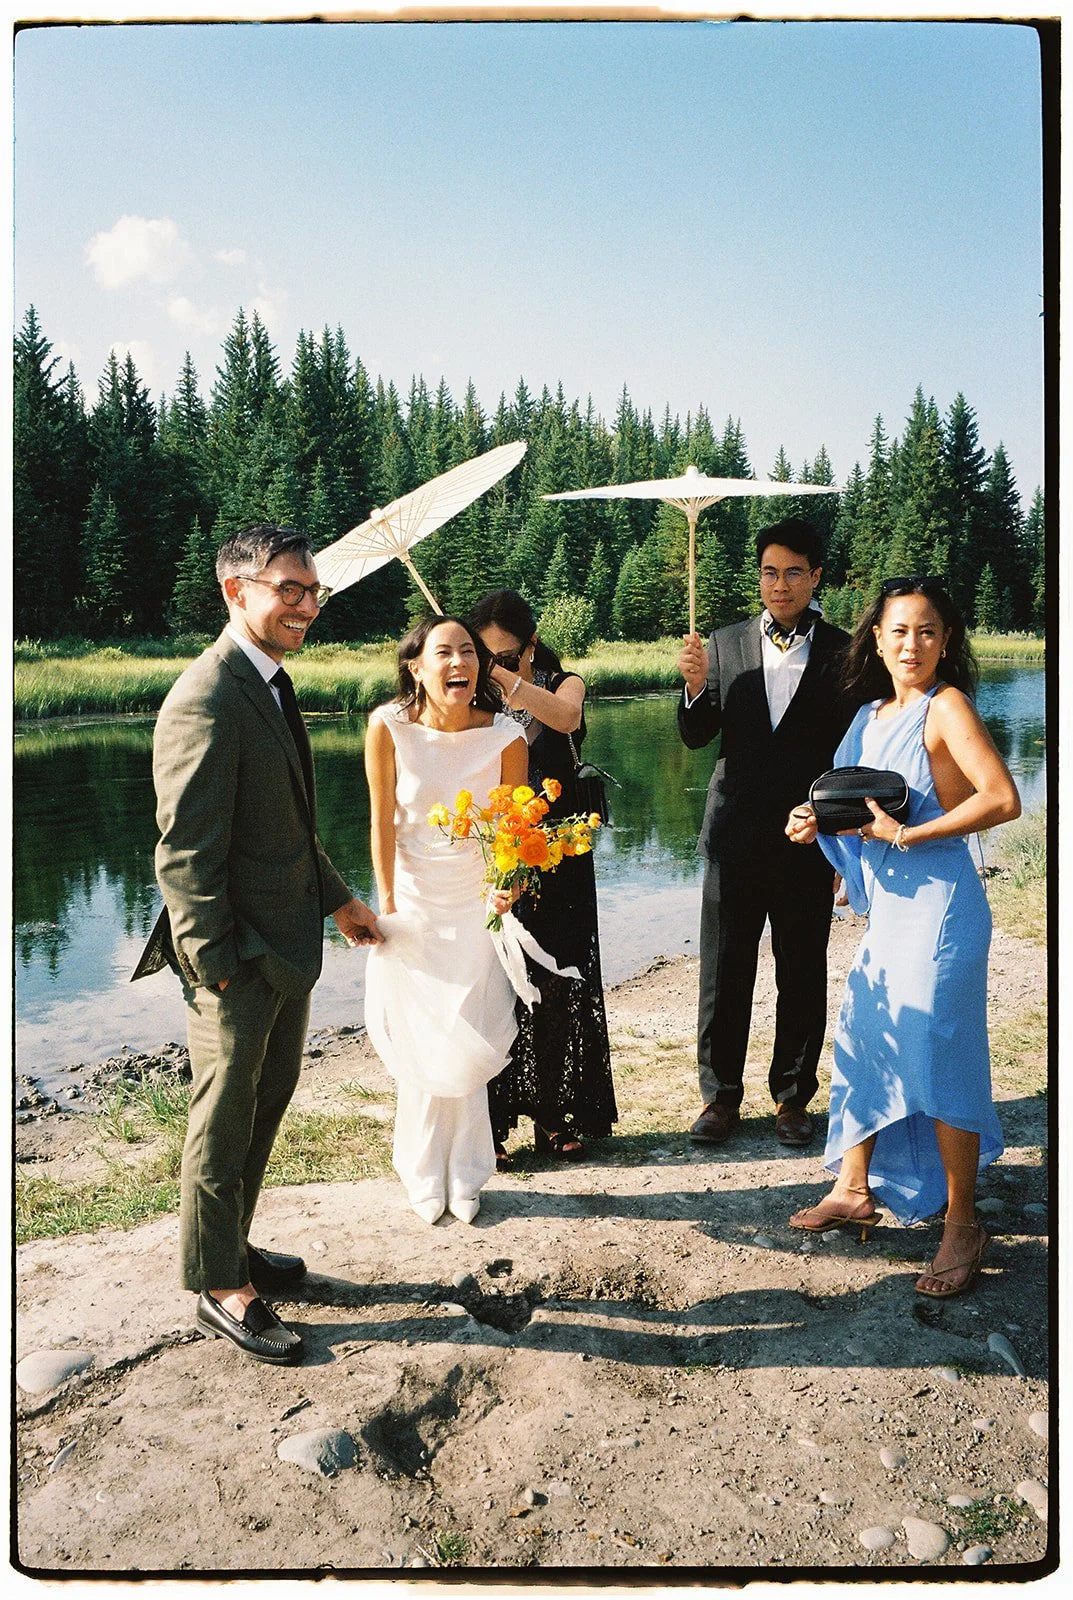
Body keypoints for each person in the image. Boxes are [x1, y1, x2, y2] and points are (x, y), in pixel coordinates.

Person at [144, 525, 381, 1366]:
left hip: (286, 943)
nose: (307, 606)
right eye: (289, 590)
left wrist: (340, 898)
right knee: (223, 1118)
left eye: (313, 592)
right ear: (235, 592)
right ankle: (218, 1285)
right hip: (236, 959)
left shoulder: (268, 684)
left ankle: (234, 1247)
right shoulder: (205, 697)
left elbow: (285, 828)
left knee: (265, 1105)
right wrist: (215, 967)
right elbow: (183, 853)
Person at [785, 577, 1020, 1297]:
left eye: (926, 631)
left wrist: (907, 833)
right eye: (897, 631)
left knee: (938, 1054)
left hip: (942, 905)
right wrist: (810, 819)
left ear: (945, 641)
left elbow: (1001, 797)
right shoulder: (867, 714)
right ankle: (853, 1186)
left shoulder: (946, 706)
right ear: (876, 640)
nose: (911, 644)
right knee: (864, 1035)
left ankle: (961, 1223)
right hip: (890, 909)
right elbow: (845, 799)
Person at [677, 518, 852, 1148]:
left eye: (794, 572)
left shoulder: (843, 650)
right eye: (770, 572)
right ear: (760, 577)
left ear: (816, 577)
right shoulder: (721, 644)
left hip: (807, 838)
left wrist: (838, 834)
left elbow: (848, 753)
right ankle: (720, 1098)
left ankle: (792, 1097)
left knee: (802, 968)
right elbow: (697, 737)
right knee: (724, 971)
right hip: (733, 835)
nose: (780, 585)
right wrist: (695, 689)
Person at [363, 615, 532, 1223]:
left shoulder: (507, 736)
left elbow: (517, 825)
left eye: (468, 652)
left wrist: (506, 885)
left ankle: (467, 1170)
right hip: (414, 900)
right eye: (444, 652)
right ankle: (419, 1167)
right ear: (416, 666)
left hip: (477, 901)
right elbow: (382, 820)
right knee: (423, 1036)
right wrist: (386, 904)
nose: (459, 662)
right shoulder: (387, 727)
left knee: (470, 1028)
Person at [469, 589, 616, 1163]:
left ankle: (554, 1115)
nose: (494, 668)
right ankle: (492, 1121)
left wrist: (510, 684)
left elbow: (568, 718)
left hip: (561, 860)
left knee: (557, 989)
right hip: (498, 858)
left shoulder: (563, 683)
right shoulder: (474, 698)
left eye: (506, 656)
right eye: (485, 657)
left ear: (532, 646)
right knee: (497, 988)